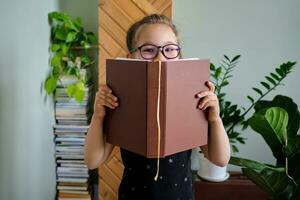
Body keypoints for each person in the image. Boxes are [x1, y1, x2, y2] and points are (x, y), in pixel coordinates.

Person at [84, 14, 230, 200]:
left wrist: (215, 118)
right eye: (148, 50)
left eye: (169, 49)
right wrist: (98, 116)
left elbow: (220, 159)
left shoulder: (192, 98)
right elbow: (92, 160)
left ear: (179, 55)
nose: (160, 58)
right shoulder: (120, 99)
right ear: (131, 57)